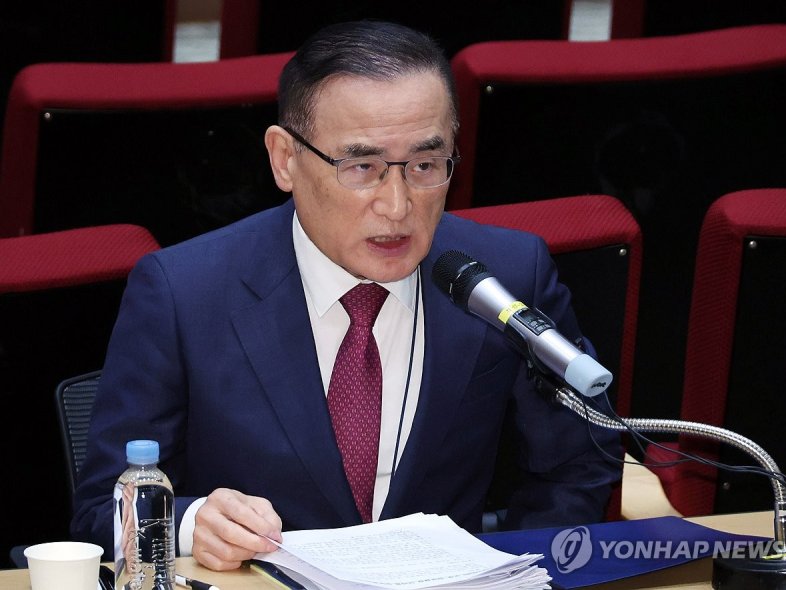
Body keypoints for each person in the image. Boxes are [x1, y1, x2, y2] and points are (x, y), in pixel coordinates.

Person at [72, 20, 622, 571]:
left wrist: (518, 568)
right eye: (362, 167)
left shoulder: (505, 277)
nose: (398, 206)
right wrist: (193, 525)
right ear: (284, 159)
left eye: (425, 166)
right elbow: (100, 512)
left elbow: (576, 466)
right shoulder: (183, 293)